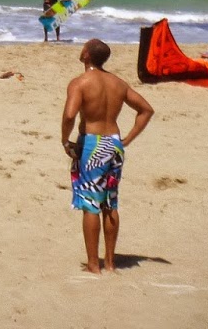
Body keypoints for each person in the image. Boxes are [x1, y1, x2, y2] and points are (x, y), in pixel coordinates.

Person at [60, 39, 154, 274]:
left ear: (86, 55)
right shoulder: (118, 83)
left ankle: (94, 264)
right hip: (113, 143)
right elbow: (146, 110)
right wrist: (127, 139)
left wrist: (65, 139)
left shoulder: (80, 83)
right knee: (110, 203)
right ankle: (110, 263)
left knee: (91, 204)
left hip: (93, 144)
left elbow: (70, 115)